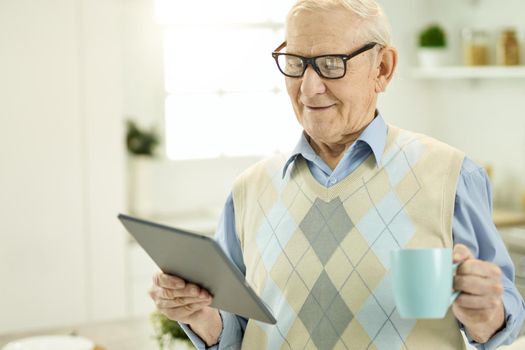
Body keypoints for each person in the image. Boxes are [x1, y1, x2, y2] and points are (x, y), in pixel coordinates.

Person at [149, 0, 525, 349]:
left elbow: (503, 314)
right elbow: (237, 331)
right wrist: (200, 315)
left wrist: (486, 313)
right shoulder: (249, 189)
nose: (309, 88)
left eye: (331, 63)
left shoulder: (452, 175)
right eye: (296, 62)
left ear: (382, 68)